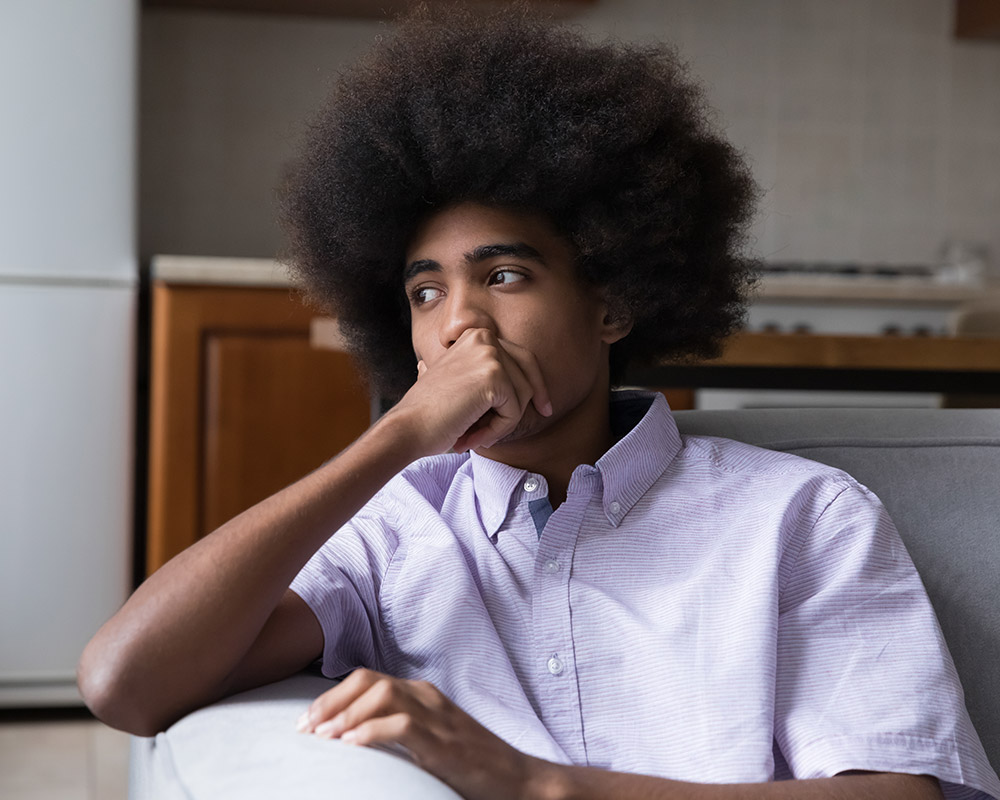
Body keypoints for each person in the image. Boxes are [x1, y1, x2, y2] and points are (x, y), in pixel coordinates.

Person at [78, 6, 1000, 800]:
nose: (460, 325)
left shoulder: (800, 517)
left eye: (505, 274)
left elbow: (897, 793)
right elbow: (124, 682)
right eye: (425, 292)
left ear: (612, 303)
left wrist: (536, 786)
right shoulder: (394, 535)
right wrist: (399, 435)